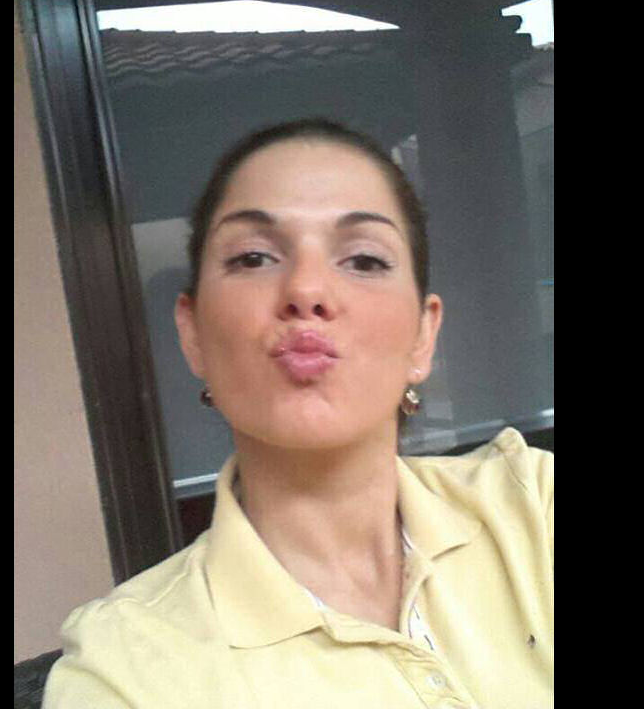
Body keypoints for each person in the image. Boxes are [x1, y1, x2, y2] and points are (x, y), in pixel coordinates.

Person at [43, 118, 553, 709]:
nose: (306, 289)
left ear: (423, 335)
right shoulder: (123, 667)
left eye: (364, 260)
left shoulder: (530, 505)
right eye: (253, 257)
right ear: (193, 334)